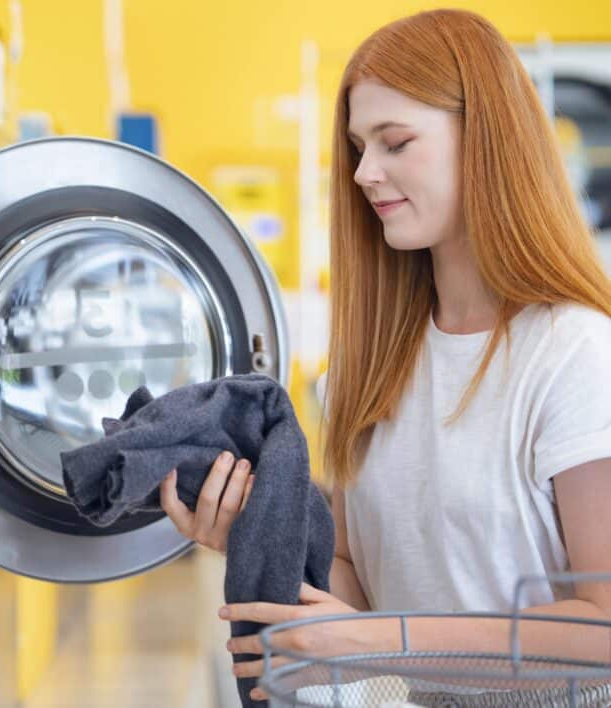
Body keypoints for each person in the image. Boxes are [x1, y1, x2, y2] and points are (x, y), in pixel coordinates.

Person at [159, 9, 611, 704]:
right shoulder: (369, 365)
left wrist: (386, 638)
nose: (366, 172)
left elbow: (605, 628)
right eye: (359, 147)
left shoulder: (573, 353)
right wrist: (254, 533)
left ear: (485, 140)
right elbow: (358, 587)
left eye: (395, 142)